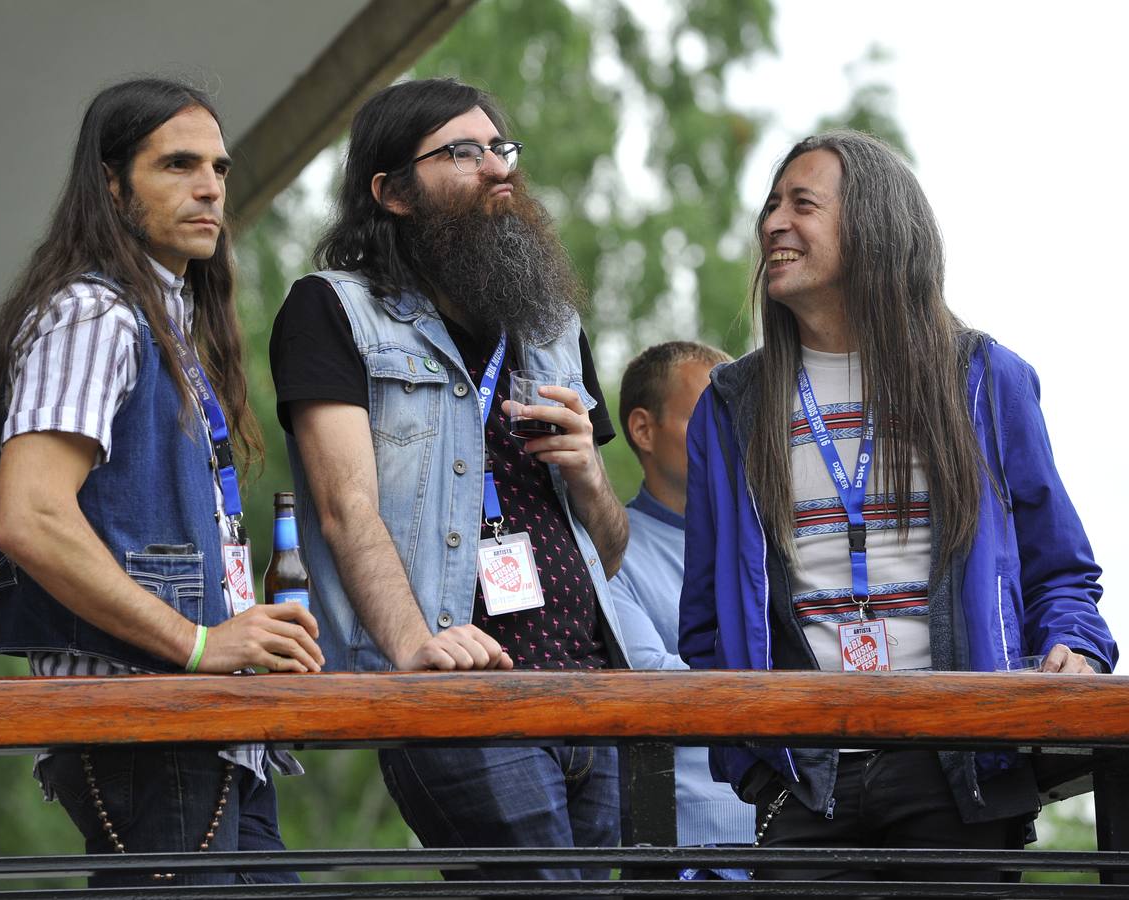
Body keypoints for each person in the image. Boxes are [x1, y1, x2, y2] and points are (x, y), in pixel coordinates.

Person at [677, 130, 1117, 883]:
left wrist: (1075, 651)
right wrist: (759, 766)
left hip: (961, 772)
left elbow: (1062, 573)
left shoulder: (984, 379)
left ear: (875, 224)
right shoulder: (730, 406)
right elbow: (708, 622)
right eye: (770, 205)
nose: (774, 223)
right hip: (804, 782)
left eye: (802, 204)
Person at [0, 78, 323, 886]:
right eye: (178, 165)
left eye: (220, 169)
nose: (209, 188)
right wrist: (202, 642)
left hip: (207, 729)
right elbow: (29, 517)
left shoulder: (168, 323)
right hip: (150, 728)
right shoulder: (96, 315)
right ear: (113, 187)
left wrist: (241, 643)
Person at [269, 77, 631, 884]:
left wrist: (591, 475)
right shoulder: (332, 311)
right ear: (392, 192)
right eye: (461, 152)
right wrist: (414, 648)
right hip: (464, 694)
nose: (498, 169)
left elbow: (610, 550)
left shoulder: (551, 325)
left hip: (596, 693)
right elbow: (343, 507)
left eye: (500, 148)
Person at [611, 340, 754, 881]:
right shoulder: (612, 553)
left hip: (808, 835)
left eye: (738, 415)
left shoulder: (770, 545)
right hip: (691, 850)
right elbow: (654, 686)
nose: (732, 433)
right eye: (709, 416)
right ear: (643, 430)